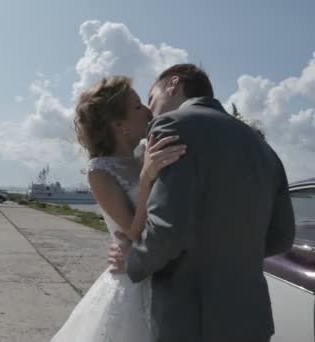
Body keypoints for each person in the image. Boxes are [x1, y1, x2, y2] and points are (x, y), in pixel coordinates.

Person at [109, 64, 296, 342]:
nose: (149, 110)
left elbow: (168, 229)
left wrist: (133, 260)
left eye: (151, 98)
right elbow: (282, 237)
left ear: (173, 85)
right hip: (252, 321)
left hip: (193, 322)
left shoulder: (173, 125)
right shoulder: (262, 147)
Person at [51, 76, 186, 342]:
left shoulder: (149, 151)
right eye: (138, 106)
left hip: (167, 275)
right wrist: (147, 177)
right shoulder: (100, 171)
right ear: (119, 125)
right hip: (132, 281)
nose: (148, 111)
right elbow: (133, 231)